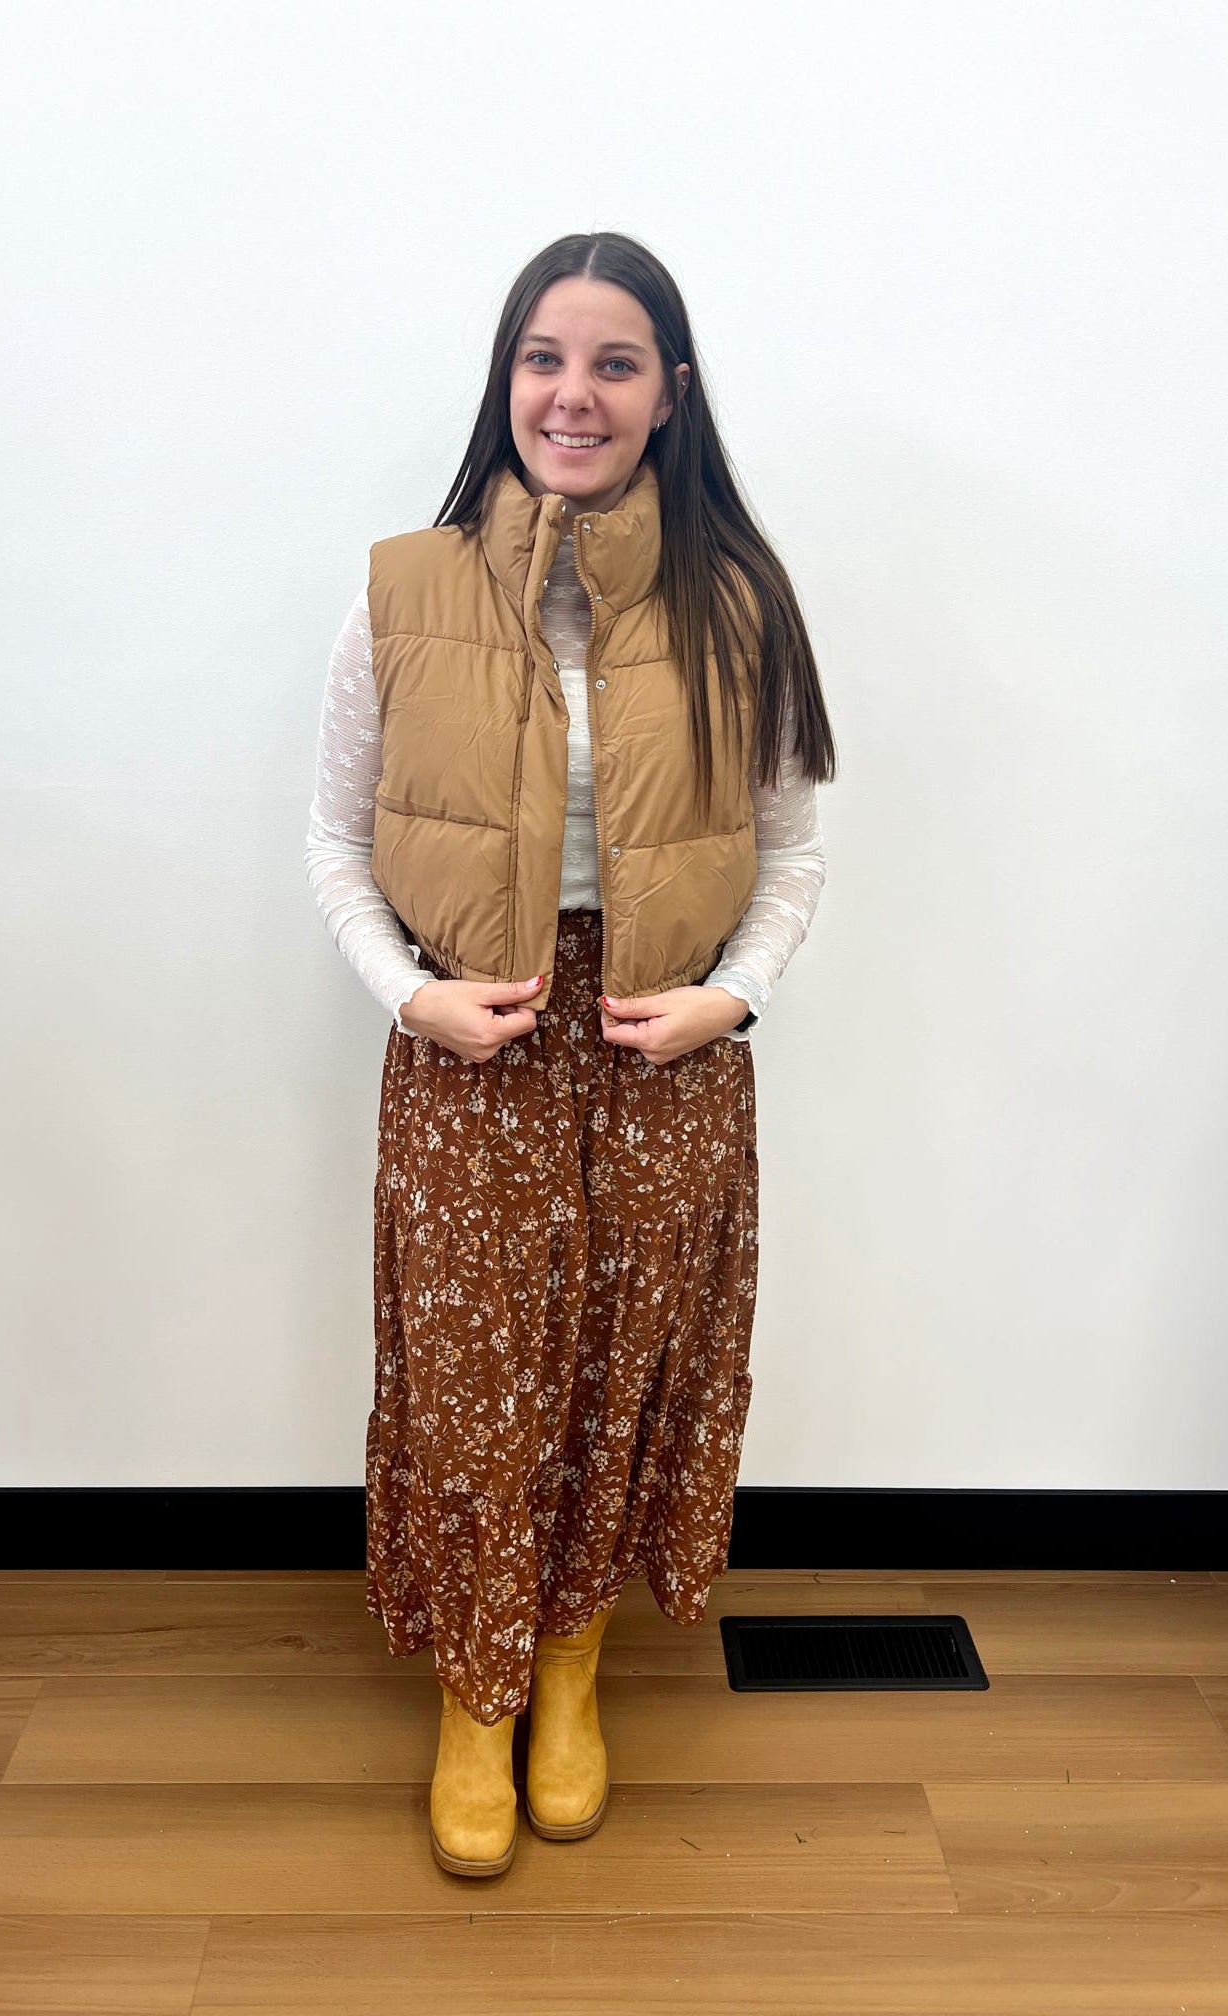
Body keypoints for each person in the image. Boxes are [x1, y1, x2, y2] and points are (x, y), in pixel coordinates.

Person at [304, 230, 836, 1878]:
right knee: (481, 1387)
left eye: (615, 362)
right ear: (506, 378)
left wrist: (728, 1000)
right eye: (546, 356)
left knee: (618, 1376)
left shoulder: (739, 603)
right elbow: (330, 841)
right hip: (475, 1040)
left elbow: (796, 848)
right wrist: (412, 995)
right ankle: (474, 1688)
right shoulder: (403, 588)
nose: (575, 393)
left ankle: (570, 1667)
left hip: (662, 1043)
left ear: (671, 394)